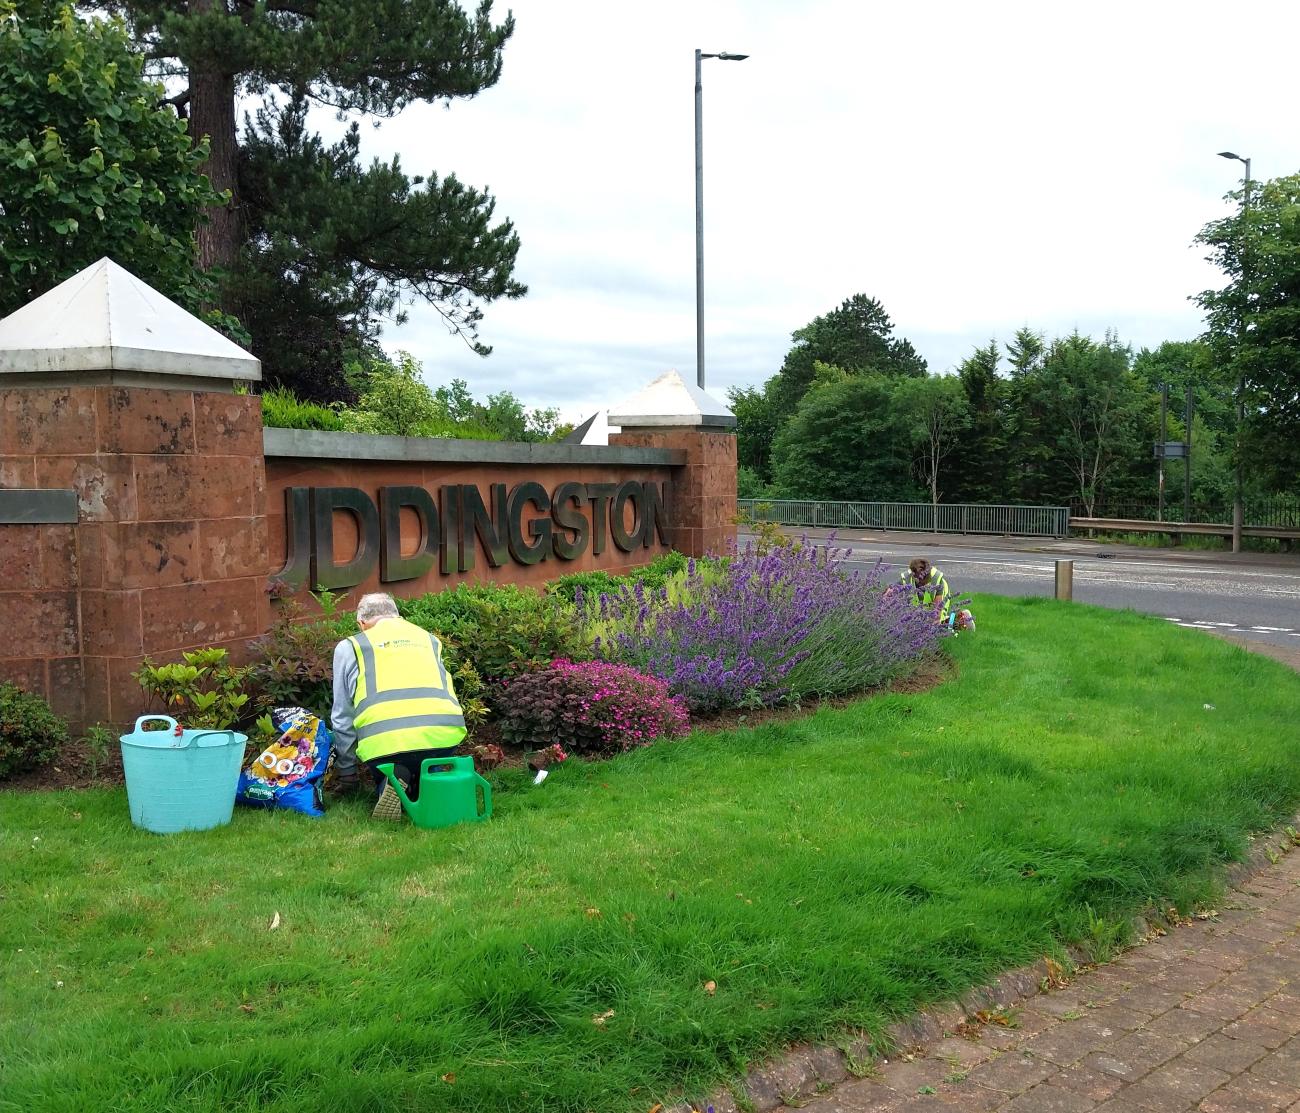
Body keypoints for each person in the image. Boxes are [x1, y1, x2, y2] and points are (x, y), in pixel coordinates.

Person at [331, 592, 466, 816]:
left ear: (361, 624)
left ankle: (393, 778)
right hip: (444, 736)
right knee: (428, 759)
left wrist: (347, 775)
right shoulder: (429, 639)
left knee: (393, 758)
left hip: (385, 743)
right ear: (398, 616)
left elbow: (342, 716)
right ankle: (431, 779)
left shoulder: (351, 647)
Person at [900, 557, 951, 621]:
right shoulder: (906, 578)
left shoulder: (937, 581)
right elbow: (888, 596)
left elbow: (937, 612)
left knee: (938, 622)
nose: (920, 579)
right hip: (915, 611)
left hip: (939, 602)